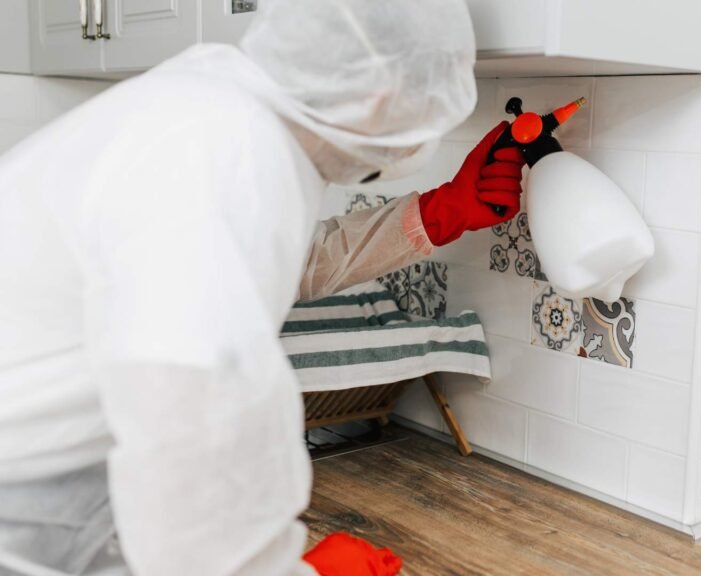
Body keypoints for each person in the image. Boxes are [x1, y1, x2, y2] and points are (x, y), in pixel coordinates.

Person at [0, 0, 525, 574]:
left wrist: (441, 211)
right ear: (380, 97)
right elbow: (190, 404)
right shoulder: (231, 147)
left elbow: (283, 264)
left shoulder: (220, 107)